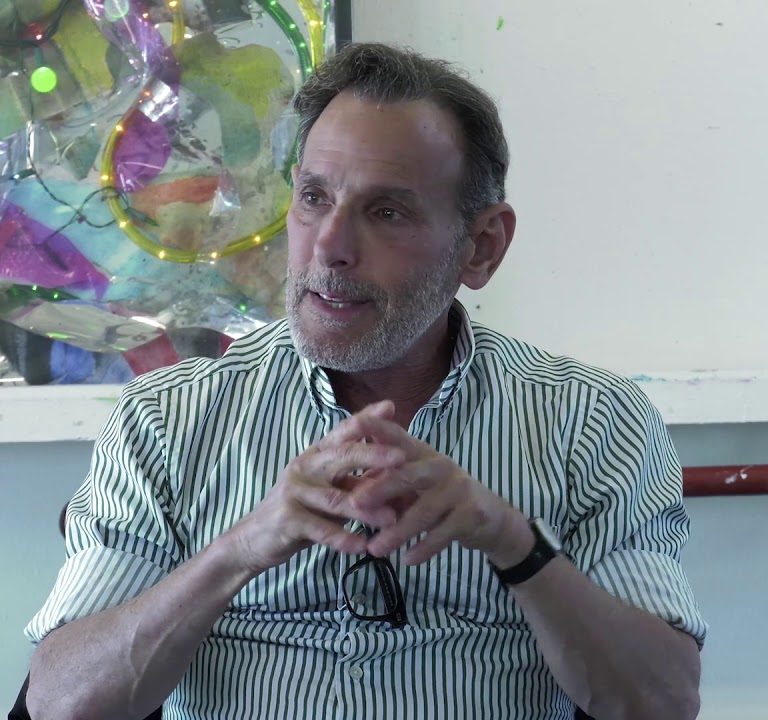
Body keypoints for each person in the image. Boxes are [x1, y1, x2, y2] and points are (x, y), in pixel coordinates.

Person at [24, 43, 705, 720]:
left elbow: (660, 702)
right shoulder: (167, 418)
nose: (329, 246)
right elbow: (62, 704)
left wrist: (513, 542)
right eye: (314, 198)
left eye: (386, 212)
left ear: (482, 247)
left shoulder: (592, 422)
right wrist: (242, 548)